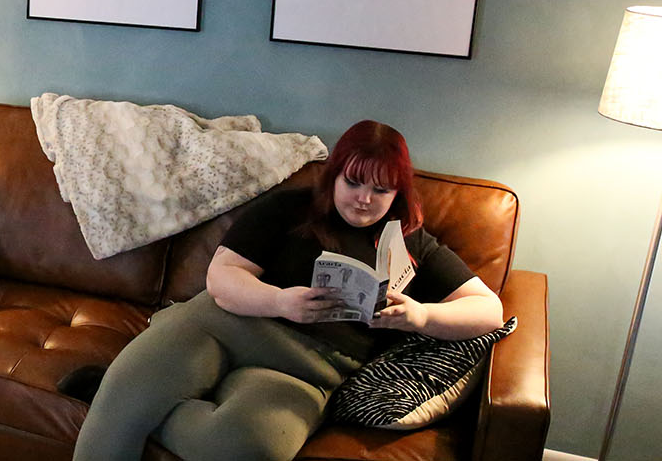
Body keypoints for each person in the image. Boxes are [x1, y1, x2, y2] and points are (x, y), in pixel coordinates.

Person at [71, 120, 504, 461]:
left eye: (380, 189)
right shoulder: (288, 208)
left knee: (249, 449)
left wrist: (421, 316)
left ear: (398, 192)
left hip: (306, 370)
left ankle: (119, 394)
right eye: (353, 182)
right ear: (334, 176)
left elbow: (488, 311)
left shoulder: (412, 243)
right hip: (223, 325)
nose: (364, 200)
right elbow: (222, 277)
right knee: (119, 415)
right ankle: (125, 397)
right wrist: (280, 301)